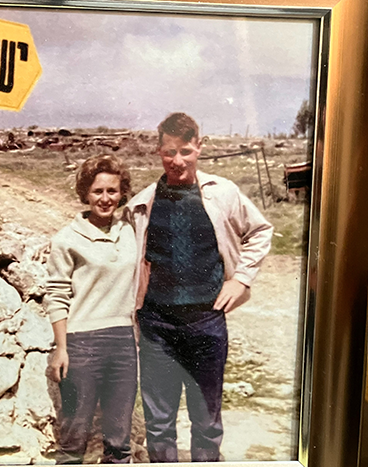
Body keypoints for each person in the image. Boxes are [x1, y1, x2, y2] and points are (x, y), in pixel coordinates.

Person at [125, 112, 273, 462]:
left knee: (206, 422)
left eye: (186, 151)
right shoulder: (141, 204)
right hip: (157, 327)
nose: (177, 161)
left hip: (207, 322)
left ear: (199, 148)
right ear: (158, 151)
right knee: (159, 424)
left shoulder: (222, 193)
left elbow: (260, 231)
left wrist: (241, 279)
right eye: (169, 152)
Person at [45, 155, 137, 464]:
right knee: (74, 437)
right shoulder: (66, 239)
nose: (105, 198)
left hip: (123, 343)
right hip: (82, 343)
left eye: (112, 191)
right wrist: (61, 348)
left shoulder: (131, 230)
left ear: (122, 192)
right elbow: (56, 294)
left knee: (119, 440)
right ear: (85, 193)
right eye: (98, 191)